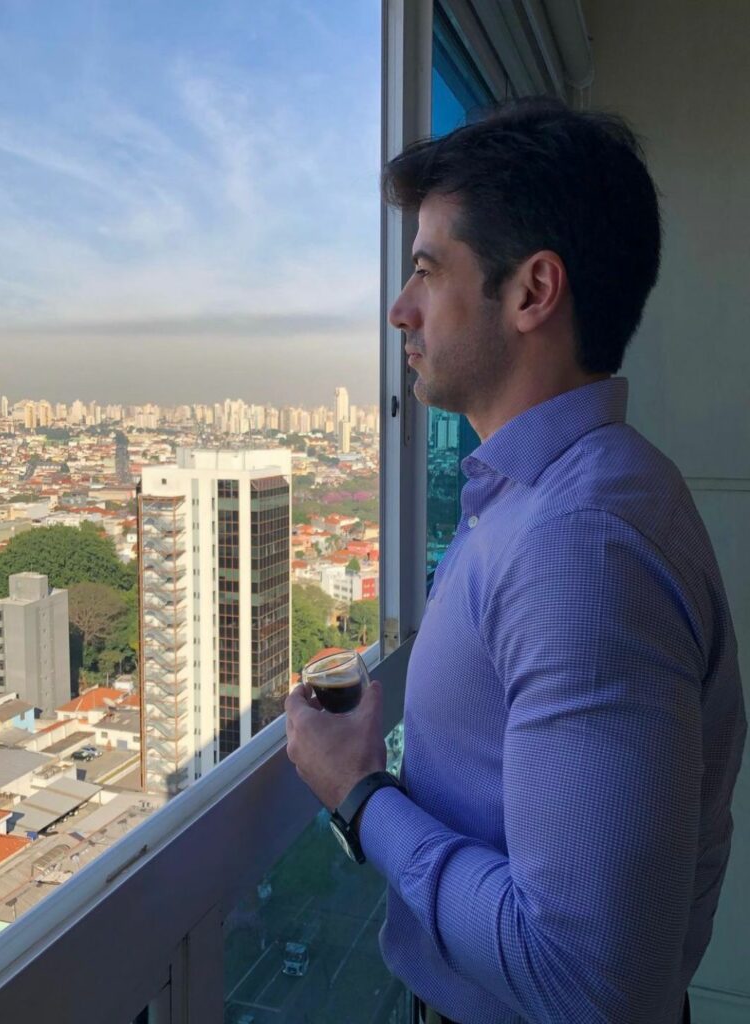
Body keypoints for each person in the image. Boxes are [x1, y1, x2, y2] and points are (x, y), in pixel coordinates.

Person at [285, 98, 746, 1024]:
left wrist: (360, 796)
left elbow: (586, 984)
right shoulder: (544, 490)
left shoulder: (583, 546)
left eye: (427, 270)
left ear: (533, 292)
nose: (399, 309)